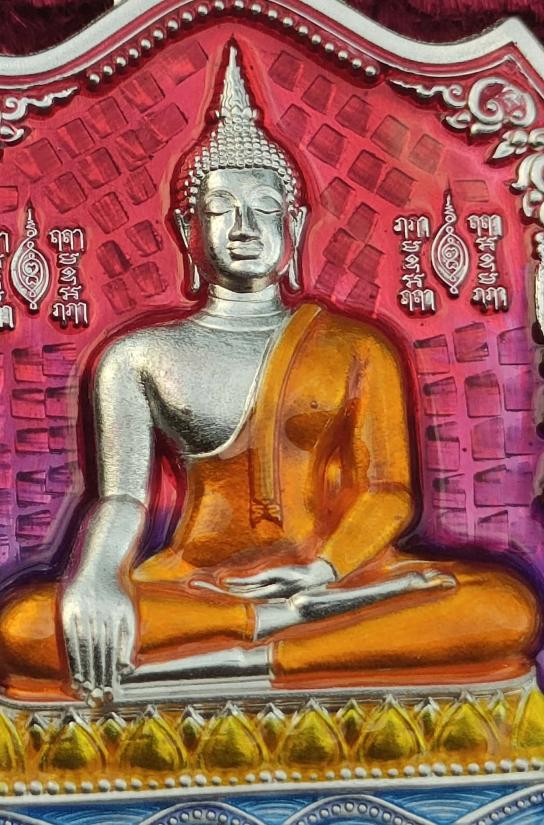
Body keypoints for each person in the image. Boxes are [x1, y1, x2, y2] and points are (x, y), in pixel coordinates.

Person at [0, 46, 539, 705]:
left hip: (341, 581)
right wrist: (95, 576)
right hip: (198, 587)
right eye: (222, 208)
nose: (245, 226)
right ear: (187, 228)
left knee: (504, 607)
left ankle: (243, 661)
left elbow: (389, 492)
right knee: (27, 627)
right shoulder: (138, 355)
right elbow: (121, 500)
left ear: (295, 223)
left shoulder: (356, 346)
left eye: (264, 207)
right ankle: (262, 631)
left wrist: (322, 570)